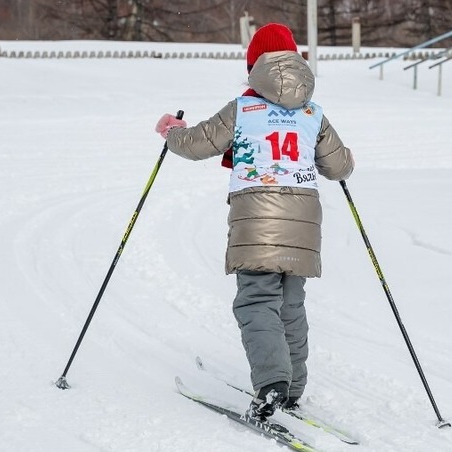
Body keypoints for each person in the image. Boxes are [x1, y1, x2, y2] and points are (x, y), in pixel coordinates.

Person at [154, 23, 354, 422]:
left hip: (255, 216)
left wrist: (172, 132)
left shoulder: (244, 108)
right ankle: (292, 388)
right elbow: (339, 166)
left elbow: (197, 144)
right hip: (304, 220)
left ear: (254, 65)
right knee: (290, 304)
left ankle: (271, 385)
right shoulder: (314, 113)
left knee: (257, 300)